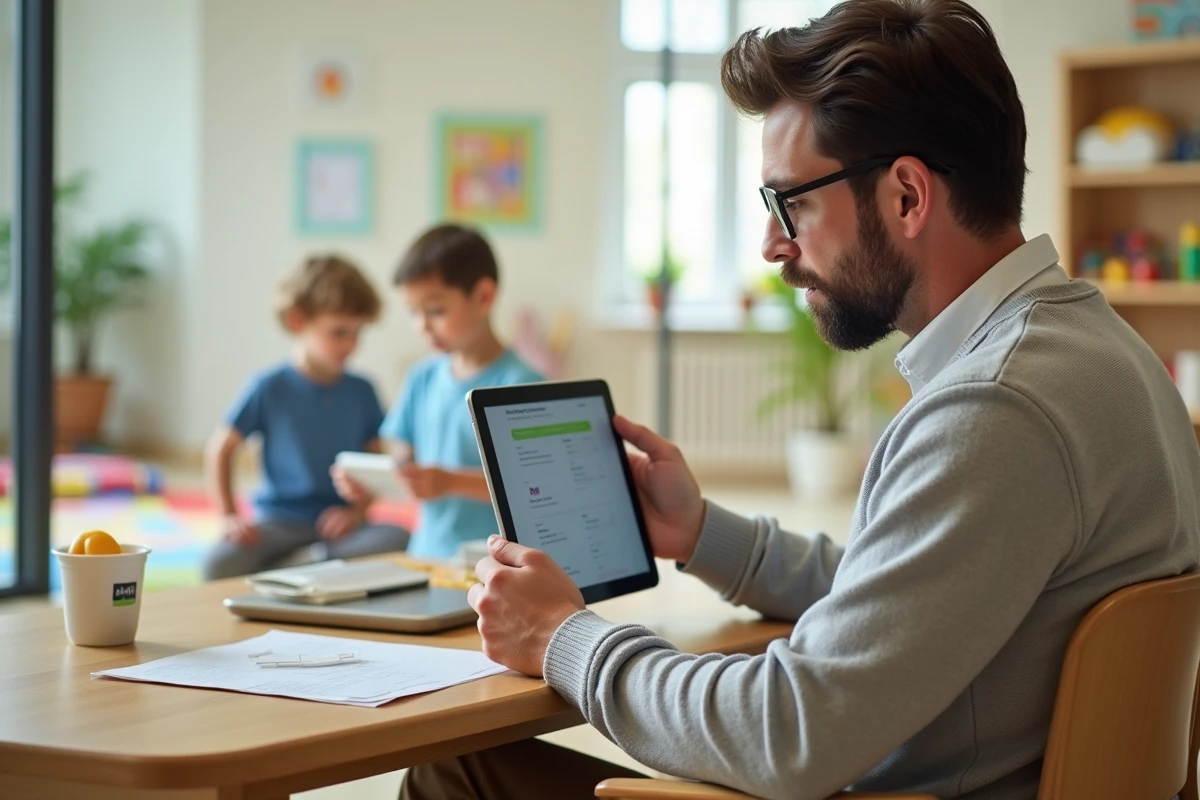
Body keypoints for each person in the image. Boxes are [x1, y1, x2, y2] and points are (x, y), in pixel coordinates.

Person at [400, 1, 1200, 798]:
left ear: (908, 196)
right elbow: (903, 597)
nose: (771, 246)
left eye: (792, 204)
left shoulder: (995, 408)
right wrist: (702, 533)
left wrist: (562, 637)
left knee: (459, 771)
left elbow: (790, 733)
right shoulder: (1103, 353)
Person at [335, 224, 543, 560]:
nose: (422, 325)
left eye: (435, 311)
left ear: (483, 297)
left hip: (494, 565)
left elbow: (532, 487)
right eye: (413, 312)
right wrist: (371, 483)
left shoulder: (521, 383)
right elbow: (405, 462)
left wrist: (450, 482)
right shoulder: (422, 378)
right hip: (426, 555)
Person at [202, 255, 408, 580]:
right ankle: (311, 567)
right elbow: (221, 449)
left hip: (339, 531)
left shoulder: (363, 391)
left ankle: (295, 568)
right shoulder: (269, 386)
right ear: (298, 321)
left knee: (399, 539)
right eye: (339, 332)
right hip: (278, 524)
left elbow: (374, 462)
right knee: (219, 563)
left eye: (358, 333)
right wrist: (229, 516)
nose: (351, 345)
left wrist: (354, 513)